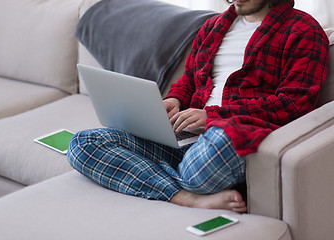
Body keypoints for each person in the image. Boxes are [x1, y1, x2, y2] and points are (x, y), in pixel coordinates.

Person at [67, 0, 329, 213]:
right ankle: (185, 197)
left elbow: (294, 104)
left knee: (211, 153)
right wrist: (175, 99)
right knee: (83, 144)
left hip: (233, 137)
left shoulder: (304, 30)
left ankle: (150, 174)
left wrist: (213, 116)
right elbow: (190, 79)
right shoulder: (214, 27)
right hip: (186, 136)